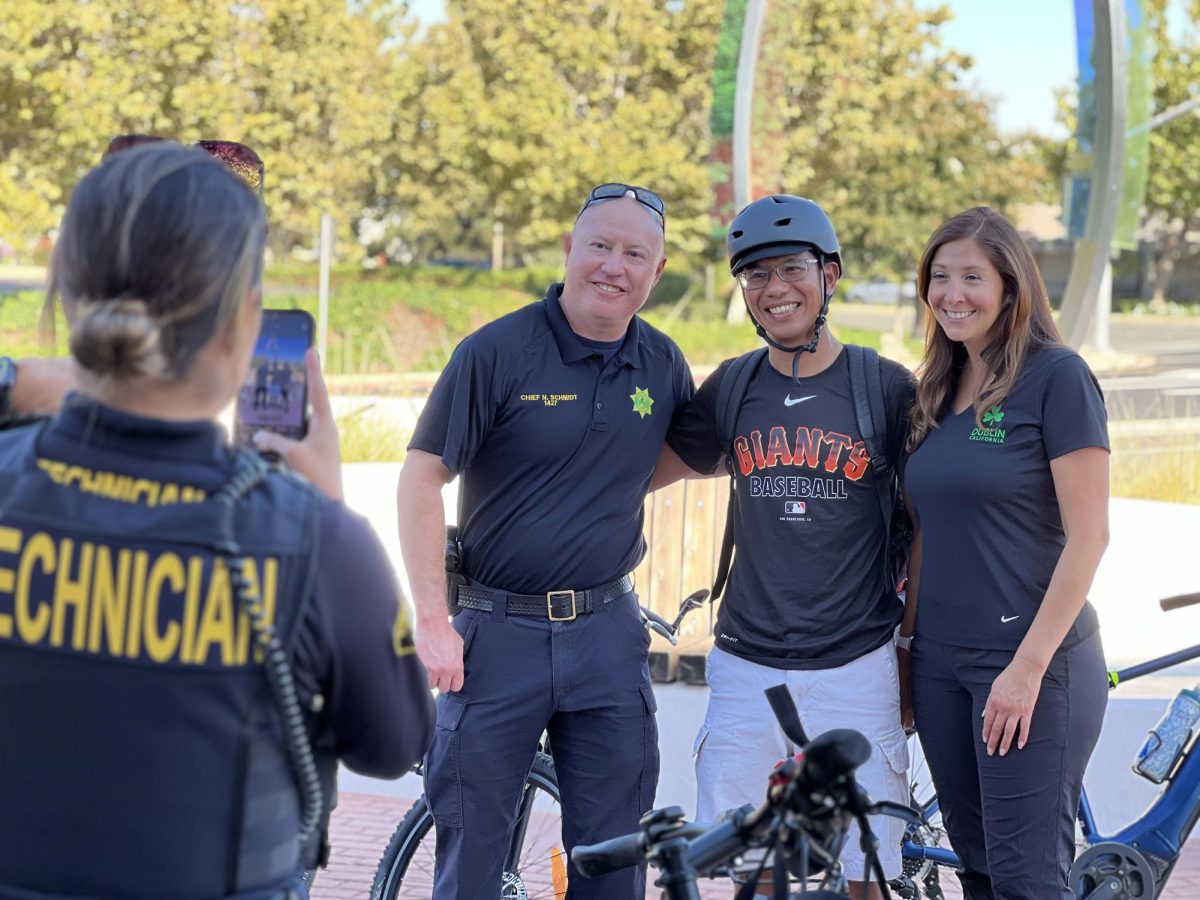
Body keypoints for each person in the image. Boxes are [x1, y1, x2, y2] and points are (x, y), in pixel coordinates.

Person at [0, 142, 435, 900]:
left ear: (68, 301)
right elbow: (398, 744)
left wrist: (20, 383)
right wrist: (328, 508)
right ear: (245, 319)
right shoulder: (319, 541)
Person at [396, 183, 694, 899]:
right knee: (471, 858)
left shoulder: (662, 364)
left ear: (655, 275)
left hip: (606, 638)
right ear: (569, 250)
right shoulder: (497, 352)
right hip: (495, 638)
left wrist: (599, 493)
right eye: (600, 246)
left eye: (634, 255)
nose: (613, 267)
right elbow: (419, 481)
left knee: (613, 861)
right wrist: (433, 625)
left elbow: (680, 455)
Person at [653, 195, 913, 898]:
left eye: (791, 269)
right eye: (756, 275)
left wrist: (916, 652)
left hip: (857, 663)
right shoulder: (734, 386)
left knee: (870, 868)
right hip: (748, 667)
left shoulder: (884, 388)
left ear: (829, 274)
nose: (775, 290)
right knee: (752, 870)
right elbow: (640, 477)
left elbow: (932, 521)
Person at [898, 207, 1109, 899]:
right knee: (979, 868)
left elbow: (1089, 534)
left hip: (1030, 665)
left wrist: (1025, 669)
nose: (951, 294)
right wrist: (908, 651)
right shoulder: (937, 383)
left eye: (971, 277)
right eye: (939, 276)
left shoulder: (1058, 378)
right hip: (940, 663)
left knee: (1027, 877)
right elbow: (925, 530)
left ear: (1011, 287)